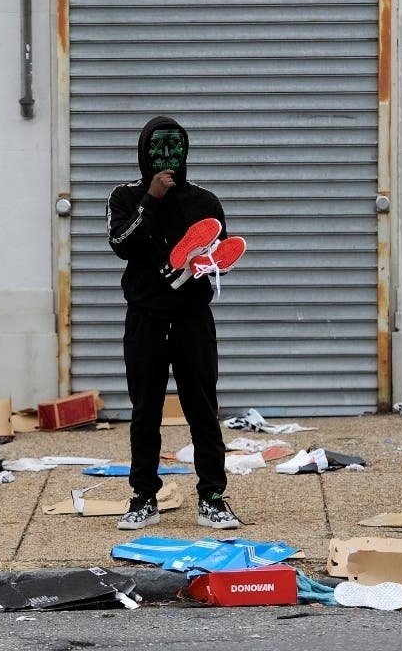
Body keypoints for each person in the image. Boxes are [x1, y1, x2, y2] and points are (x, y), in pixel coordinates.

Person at [106, 115, 241, 531]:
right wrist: (151, 198)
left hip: (192, 321)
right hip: (144, 320)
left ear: (186, 151)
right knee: (145, 411)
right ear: (143, 151)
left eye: (175, 146)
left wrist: (200, 266)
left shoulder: (205, 202)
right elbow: (121, 245)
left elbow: (220, 256)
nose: (167, 156)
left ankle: (213, 498)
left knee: (202, 410)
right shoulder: (125, 197)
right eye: (158, 147)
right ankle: (143, 497)